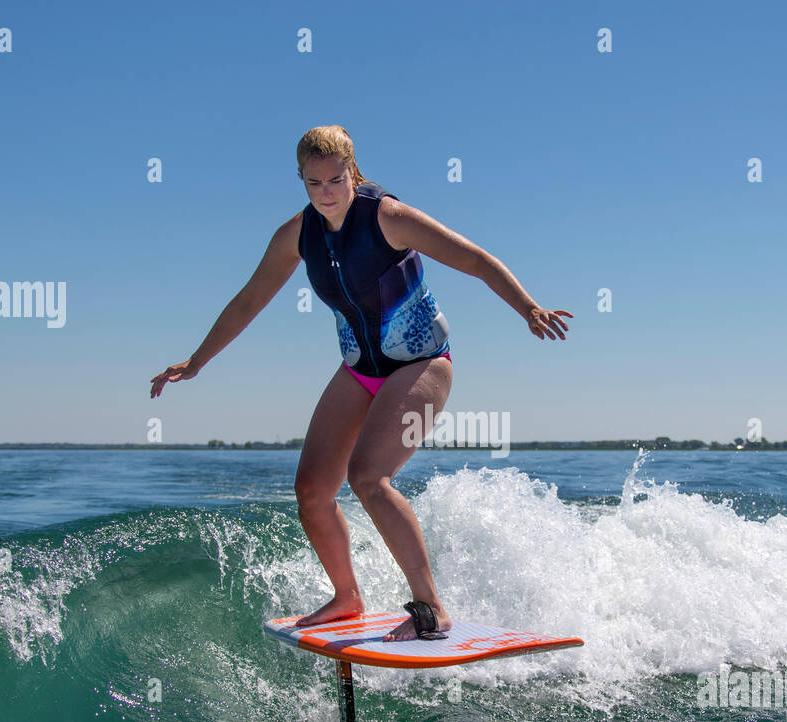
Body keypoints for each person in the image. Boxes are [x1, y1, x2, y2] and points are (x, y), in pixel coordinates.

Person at [150, 125, 571, 641]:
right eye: (314, 183)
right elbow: (247, 302)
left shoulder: (387, 217)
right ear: (301, 180)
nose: (326, 192)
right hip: (359, 370)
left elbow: (474, 258)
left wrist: (527, 307)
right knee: (311, 490)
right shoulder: (296, 235)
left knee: (368, 477)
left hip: (423, 365)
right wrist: (196, 361)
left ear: (353, 171)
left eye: (335, 179)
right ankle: (347, 597)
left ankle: (430, 607)